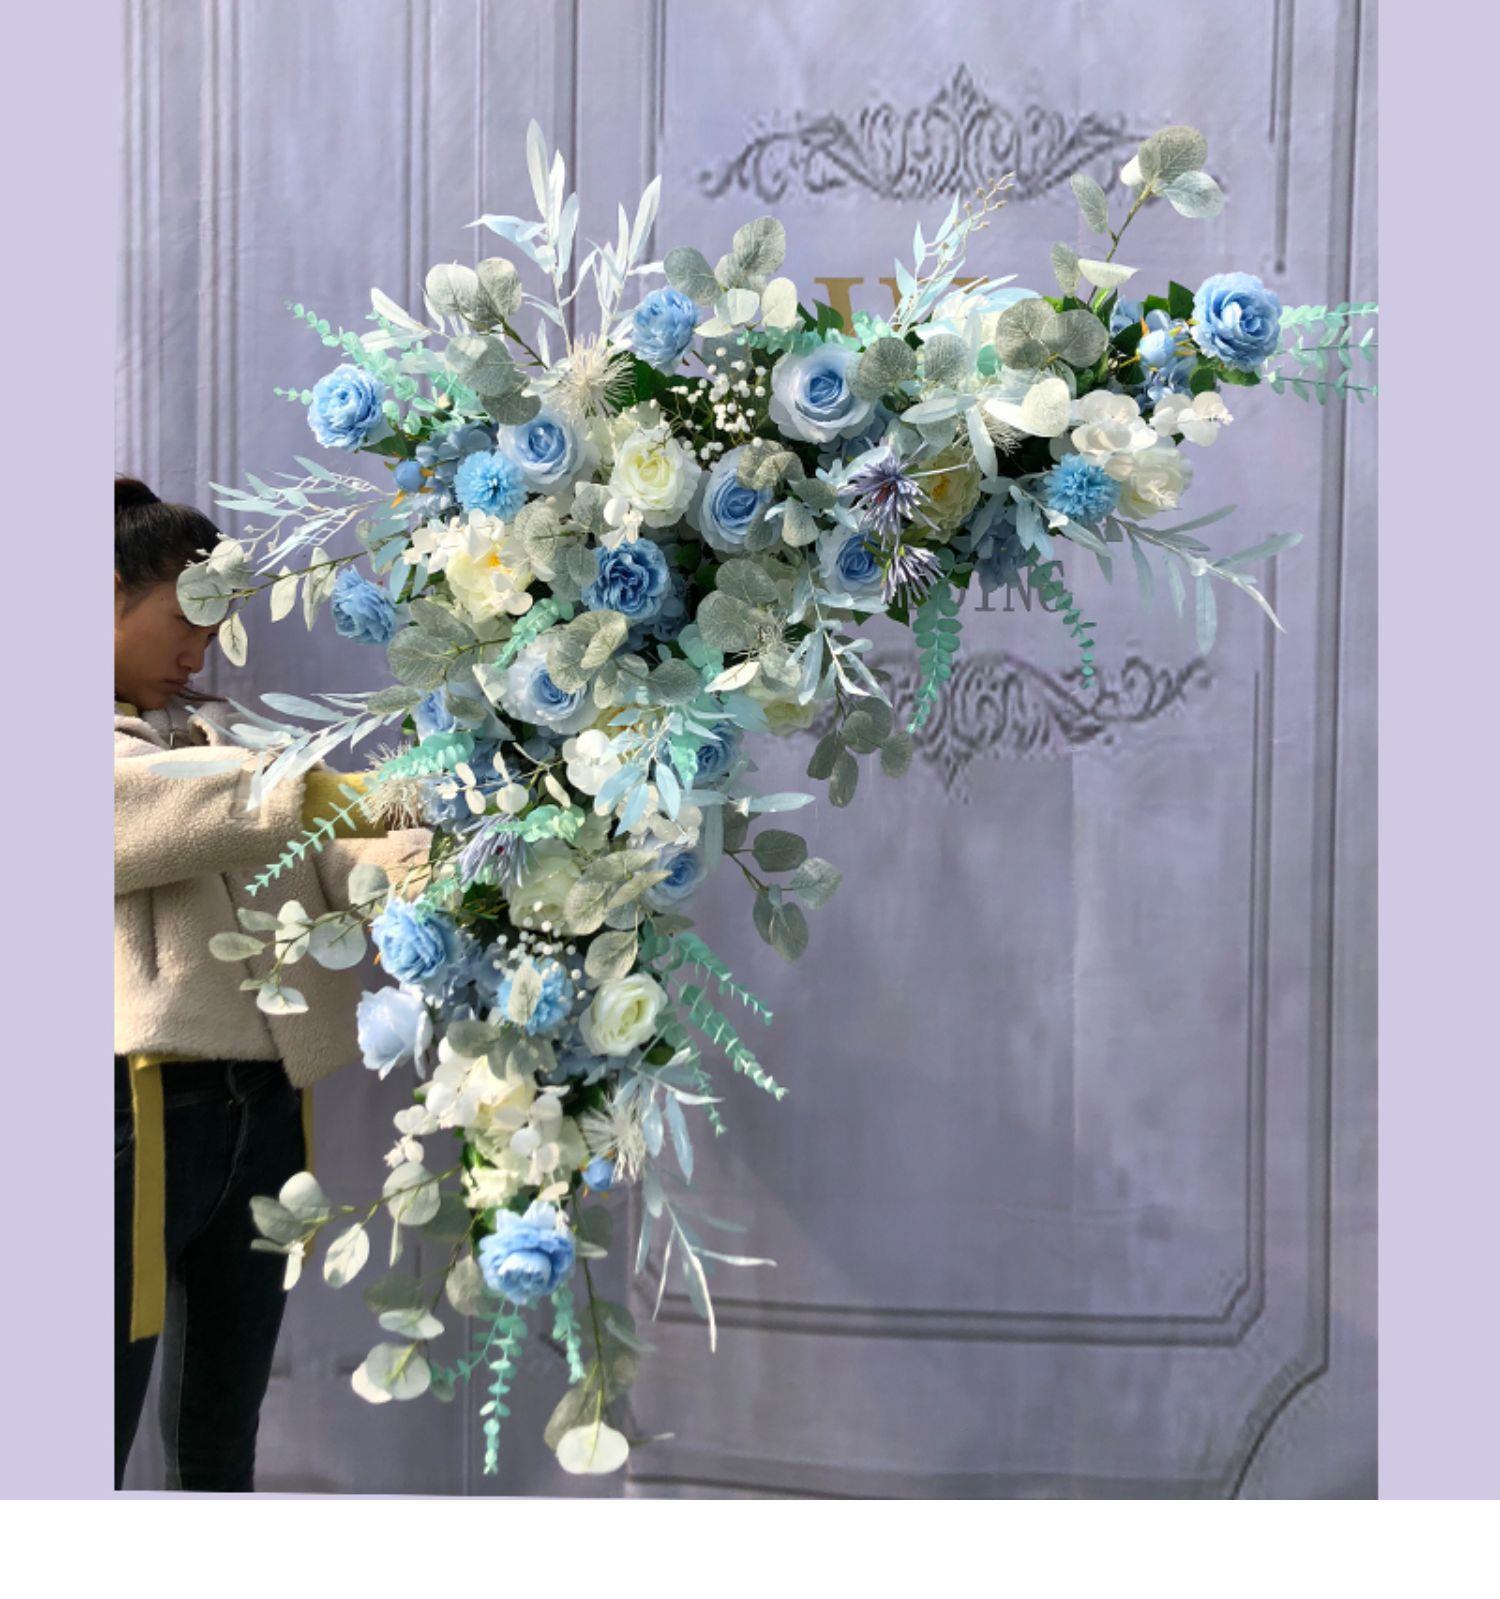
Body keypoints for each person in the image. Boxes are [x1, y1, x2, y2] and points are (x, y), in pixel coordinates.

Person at [113, 474, 428, 1491]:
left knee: (222, 1427)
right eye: (186, 618)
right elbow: (172, 809)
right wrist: (357, 794)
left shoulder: (224, 743)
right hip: (136, 1109)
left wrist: (421, 864)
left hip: (265, 1104)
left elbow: (317, 853)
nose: (200, 650)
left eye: (214, 626)